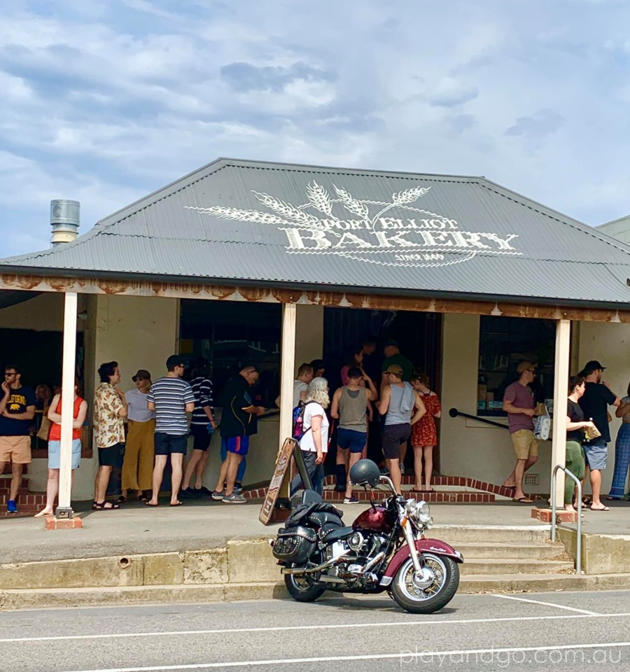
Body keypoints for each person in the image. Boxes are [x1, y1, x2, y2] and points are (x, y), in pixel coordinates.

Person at [146, 355, 195, 507]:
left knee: (159, 464)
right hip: (178, 430)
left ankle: (154, 498)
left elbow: (150, 406)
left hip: (161, 429)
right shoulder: (184, 386)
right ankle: (174, 498)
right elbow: (190, 408)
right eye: (182, 367)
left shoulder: (156, 385)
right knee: (177, 464)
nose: (183, 370)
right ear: (176, 367)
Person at [212, 365, 265, 504]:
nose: (253, 382)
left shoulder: (229, 382)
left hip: (228, 425)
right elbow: (246, 406)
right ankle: (230, 492)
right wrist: (258, 409)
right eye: (254, 379)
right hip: (239, 428)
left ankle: (218, 489)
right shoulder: (241, 385)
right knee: (235, 459)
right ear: (248, 372)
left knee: (229, 458)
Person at [34, 380, 87, 517]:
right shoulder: (58, 398)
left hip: (72, 439)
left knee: (68, 473)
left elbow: (78, 424)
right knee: (52, 473)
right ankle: (49, 506)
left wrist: (60, 420)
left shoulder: (82, 403)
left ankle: (65, 504)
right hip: (55, 438)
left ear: (75, 386)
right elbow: (50, 415)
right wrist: (70, 420)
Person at [578, 360, 620, 511]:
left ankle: (577, 500)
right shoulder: (600, 389)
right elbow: (617, 403)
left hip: (580, 430)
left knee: (581, 467)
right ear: (596, 372)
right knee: (596, 467)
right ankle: (596, 501)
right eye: (600, 371)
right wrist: (609, 389)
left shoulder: (580, 388)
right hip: (597, 432)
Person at [330, 367, 377, 503]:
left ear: (348, 377)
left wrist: (343, 416)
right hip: (359, 430)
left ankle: (340, 482)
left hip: (344, 428)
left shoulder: (339, 391)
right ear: (359, 379)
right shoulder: (365, 392)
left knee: (340, 454)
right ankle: (348, 494)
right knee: (353, 462)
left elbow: (333, 413)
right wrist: (368, 380)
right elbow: (375, 396)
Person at [377, 364, 425, 494]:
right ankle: (394, 484)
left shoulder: (388, 389)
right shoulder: (411, 390)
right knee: (394, 457)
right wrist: (410, 422)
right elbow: (422, 409)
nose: (387, 378)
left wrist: (378, 404)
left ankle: (397, 492)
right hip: (405, 428)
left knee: (393, 462)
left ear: (392, 375)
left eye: (388, 375)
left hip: (392, 427)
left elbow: (382, 411)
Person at [501, 361, 539, 504]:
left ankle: (511, 480)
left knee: (533, 458)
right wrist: (524, 410)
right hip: (519, 428)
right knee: (522, 459)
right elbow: (506, 406)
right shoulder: (513, 388)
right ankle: (518, 492)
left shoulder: (529, 390)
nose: (534, 375)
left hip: (529, 427)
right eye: (532, 371)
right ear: (525, 372)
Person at [0, 364, 36, 513]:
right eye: (5, 374)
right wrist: (6, 394)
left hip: (21, 436)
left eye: (9, 374)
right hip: (2, 436)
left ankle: (11, 501)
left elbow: (30, 414)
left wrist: (9, 415)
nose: (6, 377)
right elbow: (0, 410)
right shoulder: (2, 391)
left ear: (18, 375)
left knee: (17, 470)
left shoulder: (27, 392)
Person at [180, 361, 217, 498]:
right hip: (204, 422)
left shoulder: (192, 383)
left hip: (196, 421)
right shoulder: (206, 382)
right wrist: (212, 420)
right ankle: (185, 486)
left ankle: (198, 484)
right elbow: (205, 400)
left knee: (203, 453)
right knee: (197, 454)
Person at [93, 361, 127, 510]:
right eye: (117, 372)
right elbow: (122, 412)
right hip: (111, 435)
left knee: (102, 467)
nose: (119, 375)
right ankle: (101, 500)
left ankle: (97, 498)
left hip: (102, 433)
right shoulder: (110, 392)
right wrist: (124, 398)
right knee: (107, 468)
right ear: (110, 375)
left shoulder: (100, 389)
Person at [290, 377, 331, 496]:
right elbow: (316, 429)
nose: (327, 391)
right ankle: (285, 496)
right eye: (325, 389)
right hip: (311, 449)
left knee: (318, 478)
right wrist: (319, 451)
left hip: (307, 446)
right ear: (320, 391)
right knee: (305, 475)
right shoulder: (316, 408)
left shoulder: (309, 405)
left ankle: (316, 501)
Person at [121, 369, 155, 502]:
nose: (138, 382)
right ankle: (125, 490)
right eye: (136, 380)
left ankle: (142, 490)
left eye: (140, 379)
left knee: (146, 458)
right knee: (130, 458)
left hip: (149, 426)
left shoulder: (152, 394)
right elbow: (124, 409)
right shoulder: (130, 394)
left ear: (147, 380)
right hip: (134, 425)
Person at [564, 375, 595, 513]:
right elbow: (566, 425)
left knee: (580, 472)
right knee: (573, 472)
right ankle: (567, 504)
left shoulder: (576, 404)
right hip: (571, 442)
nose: (584, 389)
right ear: (577, 387)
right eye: (583, 386)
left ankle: (569, 501)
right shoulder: (569, 404)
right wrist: (584, 423)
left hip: (578, 441)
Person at [410, 372, 442, 492]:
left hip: (418, 426)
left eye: (413, 384)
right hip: (430, 427)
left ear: (418, 383)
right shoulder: (434, 395)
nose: (412, 386)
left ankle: (418, 484)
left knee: (417, 456)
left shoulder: (415, 396)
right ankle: (427, 485)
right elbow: (438, 414)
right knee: (428, 457)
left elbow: (412, 412)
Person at [608, 382, 630, 500]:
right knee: (622, 461)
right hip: (626, 429)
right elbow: (618, 414)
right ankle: (617, 492)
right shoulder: (625, 400)